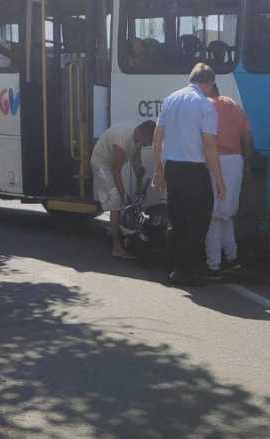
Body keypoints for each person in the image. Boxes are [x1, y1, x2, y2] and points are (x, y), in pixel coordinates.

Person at [152, 63, 225, 287]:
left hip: (173, 168)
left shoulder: (170, 100)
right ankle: (190, 271)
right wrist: (219, 179)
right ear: (210, 83)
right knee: (198, 222)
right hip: (195, 170)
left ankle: (174, 270)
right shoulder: (205, 106)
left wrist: (159, 170)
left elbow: (157, 138)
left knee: (177, 221)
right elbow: (209, 146)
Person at [204, 83, 252, 278]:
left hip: (216, 161)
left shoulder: (206, 106)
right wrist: (247, 161)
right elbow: (246, 136)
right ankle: (232, 259)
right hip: (236, 161)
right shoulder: (234, 105)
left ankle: (213, 265)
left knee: (214, 215)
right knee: (227, 214)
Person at [91, 120, 156, 258]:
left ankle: (114, 230)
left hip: (110, 165)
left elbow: (136, 162)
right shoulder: (122, 139)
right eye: (150, 141)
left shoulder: (137, 139)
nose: (150, 145)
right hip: (101, 164)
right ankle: (117, 248)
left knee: (119, 201)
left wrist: (139, 175)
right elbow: (116, 171)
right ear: (143, 134)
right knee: (115, 203)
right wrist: (123, 194)